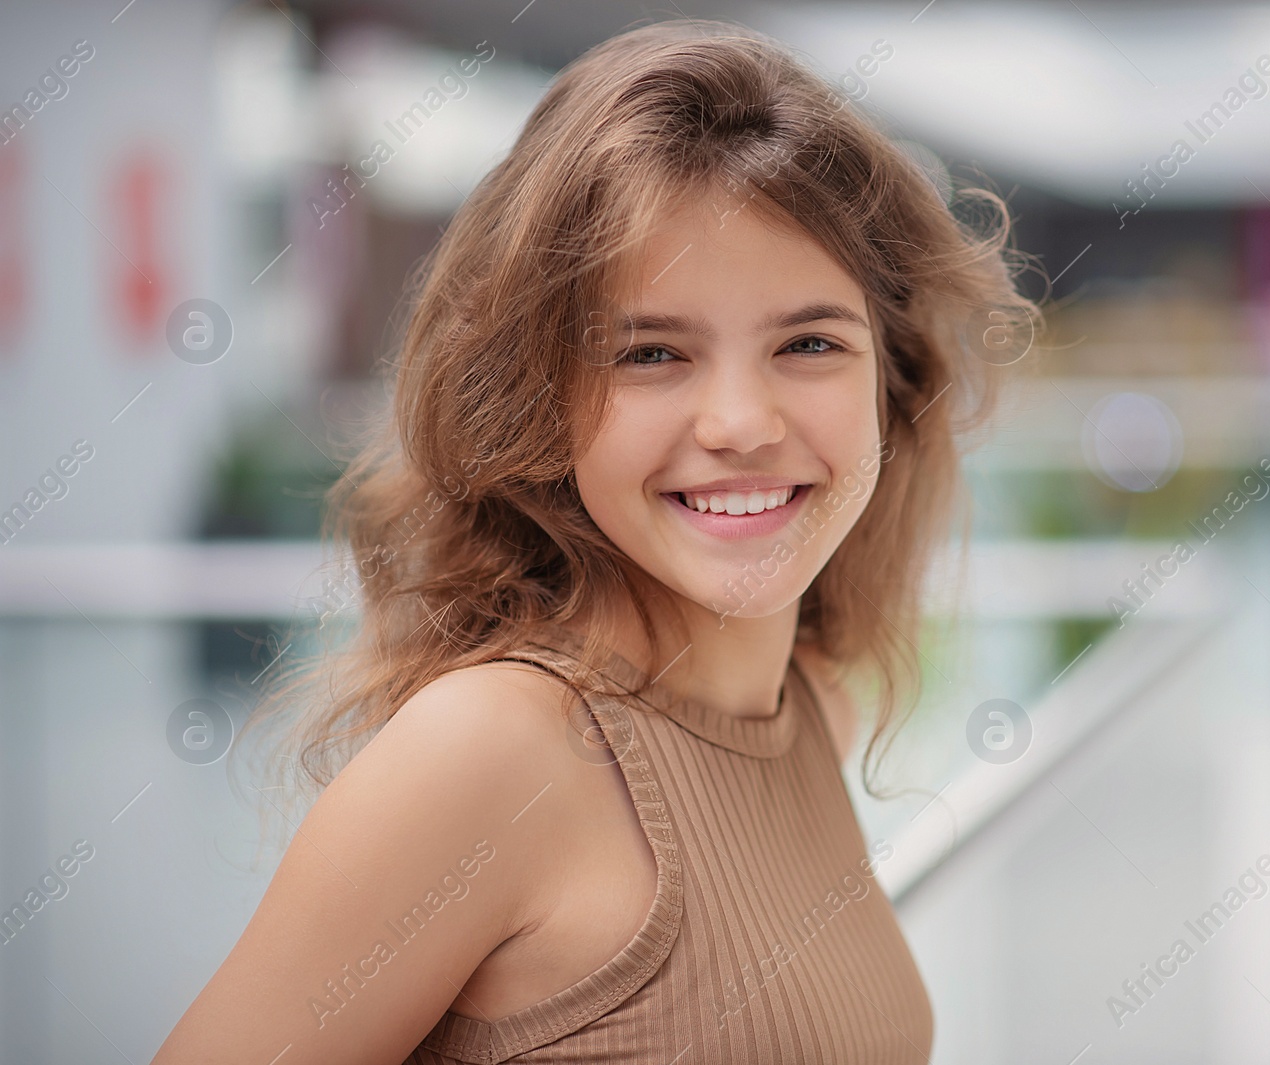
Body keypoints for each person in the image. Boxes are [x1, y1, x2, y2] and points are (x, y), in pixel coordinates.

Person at [153, 18, 1035, 1064]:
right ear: (541, 399)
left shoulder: (813, 708)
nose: (741, 423)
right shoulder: (490, 751)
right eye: (652, 353)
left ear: (890, 383)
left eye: (808, 343)